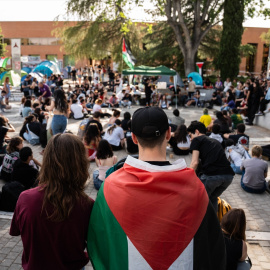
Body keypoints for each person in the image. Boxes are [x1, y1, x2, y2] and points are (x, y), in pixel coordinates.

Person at [87, 107, 226, 269]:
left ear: (133, 138)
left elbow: (98, 243)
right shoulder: (196, 188)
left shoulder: (110, 187)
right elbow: (213, 249)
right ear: (168, 134)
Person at [10, 134, 94, 270]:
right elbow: (93, 245)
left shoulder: (25, 199)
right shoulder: (87, 204)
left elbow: (15, 231)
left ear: (47, 160)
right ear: (81, 163)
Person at [188, 121, 235, 211]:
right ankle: (214, 223)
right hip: (228, 177)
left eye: (190, 135)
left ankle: (199, 223)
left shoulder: (197, 140)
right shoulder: (214, 141)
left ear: (196, 132)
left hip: (212, 177)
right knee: (211, 199)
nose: (190, 139)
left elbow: (194, 163)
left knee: (196, 200)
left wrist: (187, 179)